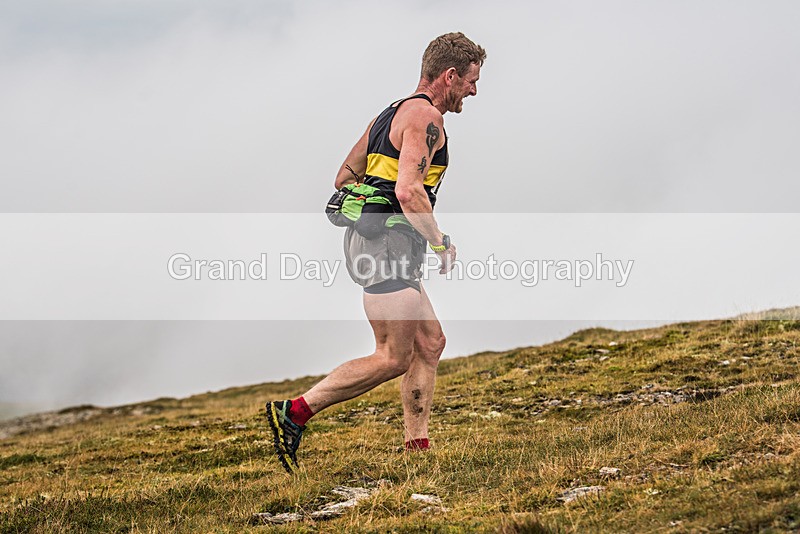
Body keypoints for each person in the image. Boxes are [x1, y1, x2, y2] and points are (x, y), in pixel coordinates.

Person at [266, 32, 485, 474]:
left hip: (385, 242)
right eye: (471, 81)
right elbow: (409, 191)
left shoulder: (391, 114)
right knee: (392, 356)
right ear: (449, 76)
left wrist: (376, 201)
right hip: (388, 245)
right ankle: (295, 411)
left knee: (430, 343)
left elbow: (343, 177)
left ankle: (416, 450)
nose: (474, 91)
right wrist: (440, 241)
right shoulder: (427, 120)